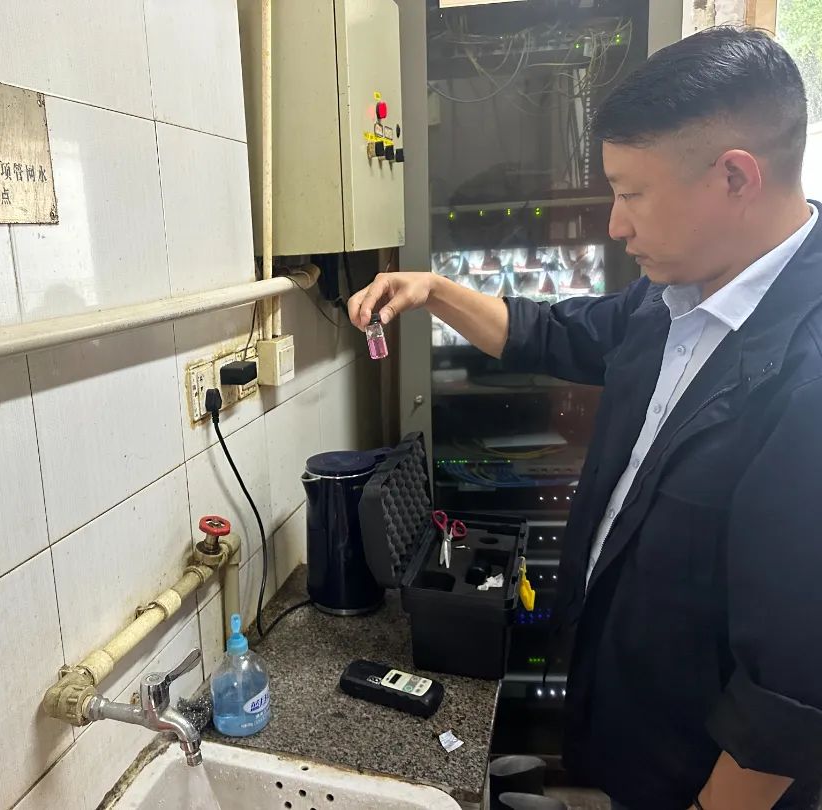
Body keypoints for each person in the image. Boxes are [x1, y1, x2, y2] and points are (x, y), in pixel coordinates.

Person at [349, 28, 822, 810]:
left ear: (736, 177)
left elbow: (791, 691)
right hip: (630, 722)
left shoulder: (806, 381)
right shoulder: (675, 295)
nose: (615, 225)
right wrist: (432, 290)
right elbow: (551, 332)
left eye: (632, 194)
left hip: (708, 777)